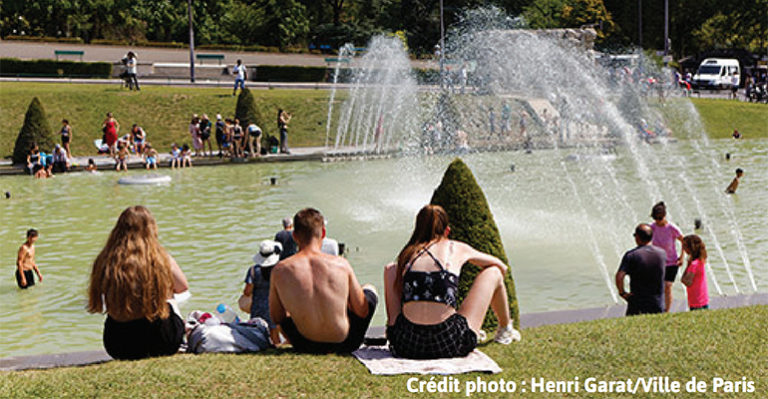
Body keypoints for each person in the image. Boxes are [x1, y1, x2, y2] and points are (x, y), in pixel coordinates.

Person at [384, 205, 520, 359]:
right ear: (447, 231)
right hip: (449, 343)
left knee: (391, 270)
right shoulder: (456, 248)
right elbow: (501, 266)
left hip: (406, 345)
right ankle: (505, 329)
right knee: (493, 272)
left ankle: (394, 332)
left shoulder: (407, 255)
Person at [269, 208, 377, 353]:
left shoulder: (280, 270)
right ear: (323, 234)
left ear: (294, 236)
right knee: (369, 289)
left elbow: (277, 317)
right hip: (345, 343)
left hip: (304, 343)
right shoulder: (341, 264)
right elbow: (362, 311)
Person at [87, 206, 189, 360]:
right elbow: (182, 287)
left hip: (118, 345)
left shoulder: (105, 259)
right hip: (162, 342)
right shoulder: (160, 258)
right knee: (170, 298)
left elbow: (98, 293)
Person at [615, 224, 667, 316]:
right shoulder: (662, 253)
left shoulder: (631, 255)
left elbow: (619, 276)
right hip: (658, 303)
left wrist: (622, 292)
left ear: (637, 237)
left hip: (638, 303)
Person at [243, 240, 283, 345]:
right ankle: (277, 349)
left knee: (257, 332)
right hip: (274, 306)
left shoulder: (252, 271)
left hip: (258, 307)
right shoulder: (278, 270)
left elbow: (247, 292)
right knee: (275, 335)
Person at [650, 201, 684, 312]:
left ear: (665, 216)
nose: (658, 221)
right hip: (657, 262)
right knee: (658, 287)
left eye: (660, 218)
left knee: (668, 286)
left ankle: (667, 311)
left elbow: (684, 241)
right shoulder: (652, 228)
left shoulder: (672, 228)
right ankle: (657, 307)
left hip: (672, 262)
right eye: (656, 219)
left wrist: (682, 257)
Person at [681, 235, 709, 311]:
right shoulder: (701, 261)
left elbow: (688, 282)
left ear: (690, 248)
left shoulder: (693, 264)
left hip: (695, 300)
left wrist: (682, 278)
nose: (683, 248)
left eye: (684, 246)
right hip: (703, 298)